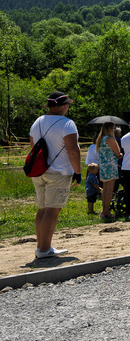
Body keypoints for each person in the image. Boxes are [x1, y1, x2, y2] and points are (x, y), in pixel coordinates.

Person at [28, 92, 82, 258]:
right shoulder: (67, 124)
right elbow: (72, 150)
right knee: (53, 210)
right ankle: (44, 250)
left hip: (39, 171)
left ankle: (42, 246)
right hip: (58, 172)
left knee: (42, 209)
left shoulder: (38, 121)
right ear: (64, 106)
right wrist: (78, 172)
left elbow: (33, 147)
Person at [94, 122, 122, 219]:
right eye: (114, 128)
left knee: (105, 189)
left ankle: (104, 209)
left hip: (103, 166)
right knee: (110, 190)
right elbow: (118, 153)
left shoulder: (100, 139)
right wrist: (120, 155)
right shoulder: (110, 139)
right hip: (111, 166)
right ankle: (106, 211)